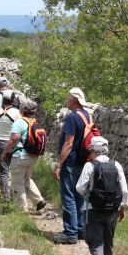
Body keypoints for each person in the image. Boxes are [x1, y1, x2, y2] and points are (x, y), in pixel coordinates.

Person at [76, 136, 128, 255]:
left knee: (95, 241)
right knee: (108, 240)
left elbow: (79, 187)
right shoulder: (116, 165)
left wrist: (90, 197)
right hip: (112, 209)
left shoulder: (89, 165)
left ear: (93, 151)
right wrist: (122, 208)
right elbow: (124, 190)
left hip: (92, 210)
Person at [52, 87, 91, 244]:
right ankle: (80, 230)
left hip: (71, 162)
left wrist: (59, 164)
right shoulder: (88, 116)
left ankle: (70, 233)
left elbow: (68, 143)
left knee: (68, 197)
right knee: (80, 196)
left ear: (74, 100)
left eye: (68, 98)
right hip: (84, 162)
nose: (66, 101)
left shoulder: (72, 118)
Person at [1, 99, 47, 212]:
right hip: (33, 157)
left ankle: (21, 210)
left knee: (17, 182)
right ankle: (39, 201)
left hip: (20, 156)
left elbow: (14, 139)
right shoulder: (35, 122)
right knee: (27, 179)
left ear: (22, 110)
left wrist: (5, 152)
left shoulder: (19, 122)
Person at [0, 89, 21, 200]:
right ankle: (14, 194)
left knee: (3, 171)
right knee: (14, 170)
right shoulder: (16, 113)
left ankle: (5, 194)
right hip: (12, 143)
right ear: (13, 100)